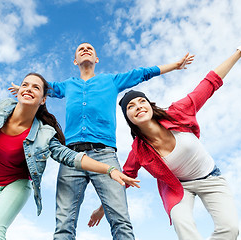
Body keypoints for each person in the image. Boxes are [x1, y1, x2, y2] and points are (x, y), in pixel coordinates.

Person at [88, 25, 241, 239]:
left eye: (141, 101)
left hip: (211, 178)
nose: (138, 106)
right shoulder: (139, 151)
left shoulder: (178, 112)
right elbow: (124, 178)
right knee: (184, 227)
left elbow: (210, 82)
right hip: (177, 188)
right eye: (131, 107)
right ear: (129, 118)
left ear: (150, 105)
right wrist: (101, 209)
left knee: (230, 229)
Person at [10, 45, 194, 239]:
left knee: (120, 220)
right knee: (64, 224)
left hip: (105, 155)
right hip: (72, 158)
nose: (85, 49)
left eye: (90, 48)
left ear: (97, 59)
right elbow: (41, 87)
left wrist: (175, 65)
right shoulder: (68, 85)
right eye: (80, 49)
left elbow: (143, 73)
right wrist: (25, 89)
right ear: (75, 61)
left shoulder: (111, 81)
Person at [0, 72, 140, 240]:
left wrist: (109, 169)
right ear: (19, 90)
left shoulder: (45, 133)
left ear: (43, 98)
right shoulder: (2, 108)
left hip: (16, 184)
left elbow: (70, 157)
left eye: (36, 87)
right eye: (25, 85)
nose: (29, 89)